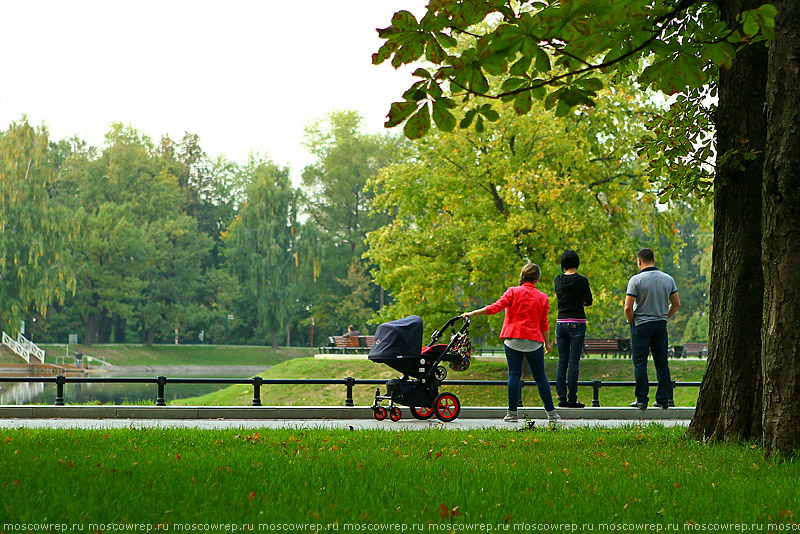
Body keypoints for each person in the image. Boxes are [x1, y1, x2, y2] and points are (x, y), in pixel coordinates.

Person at [462, 263, 561, 424]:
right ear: (537, 279)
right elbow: (544, 323)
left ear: (523, 276)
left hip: (513, 338)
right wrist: (547, 343)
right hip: (533, 341)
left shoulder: (513, 292)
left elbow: (495, 308)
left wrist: (472, 313)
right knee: (540, 377)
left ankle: (512, 414)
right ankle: (552, 414)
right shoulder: (543, 297)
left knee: (514, 375)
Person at [623, 248, 681, 409]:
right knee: (662, 363)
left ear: (639, 261)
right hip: (660, 325)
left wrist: (630, 321)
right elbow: (676, 304)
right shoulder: (668, 279)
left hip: (641, 325)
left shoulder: (636, 280)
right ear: (654, 260)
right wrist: (665, 316)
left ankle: (641, 399)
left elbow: (628, 307)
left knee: (640, 362)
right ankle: (663, 399)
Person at [554, 249, 593, 408]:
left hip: (561, 321)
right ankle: (572, 398)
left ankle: (561, 397)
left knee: (562, 362)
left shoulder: (557, 280)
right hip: (577, 321)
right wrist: (580, 301)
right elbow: (589, 300)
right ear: (577, 263)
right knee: (573, 362)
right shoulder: (582, 281)